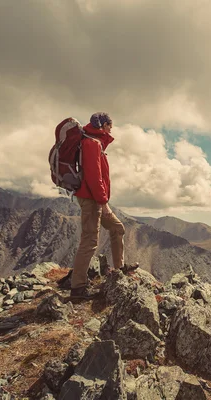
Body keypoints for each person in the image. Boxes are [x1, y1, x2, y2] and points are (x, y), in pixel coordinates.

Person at [70, 112, 125, 299]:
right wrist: (103, 203)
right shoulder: (92, 144)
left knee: (117, 228)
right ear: (103, 125)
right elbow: (94, 177)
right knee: (90, 241)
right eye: (110, 125)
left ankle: (120, 270)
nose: (111, 129)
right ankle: (77, 287)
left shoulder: (94, 142)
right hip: (91, 199)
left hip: (93, 198)